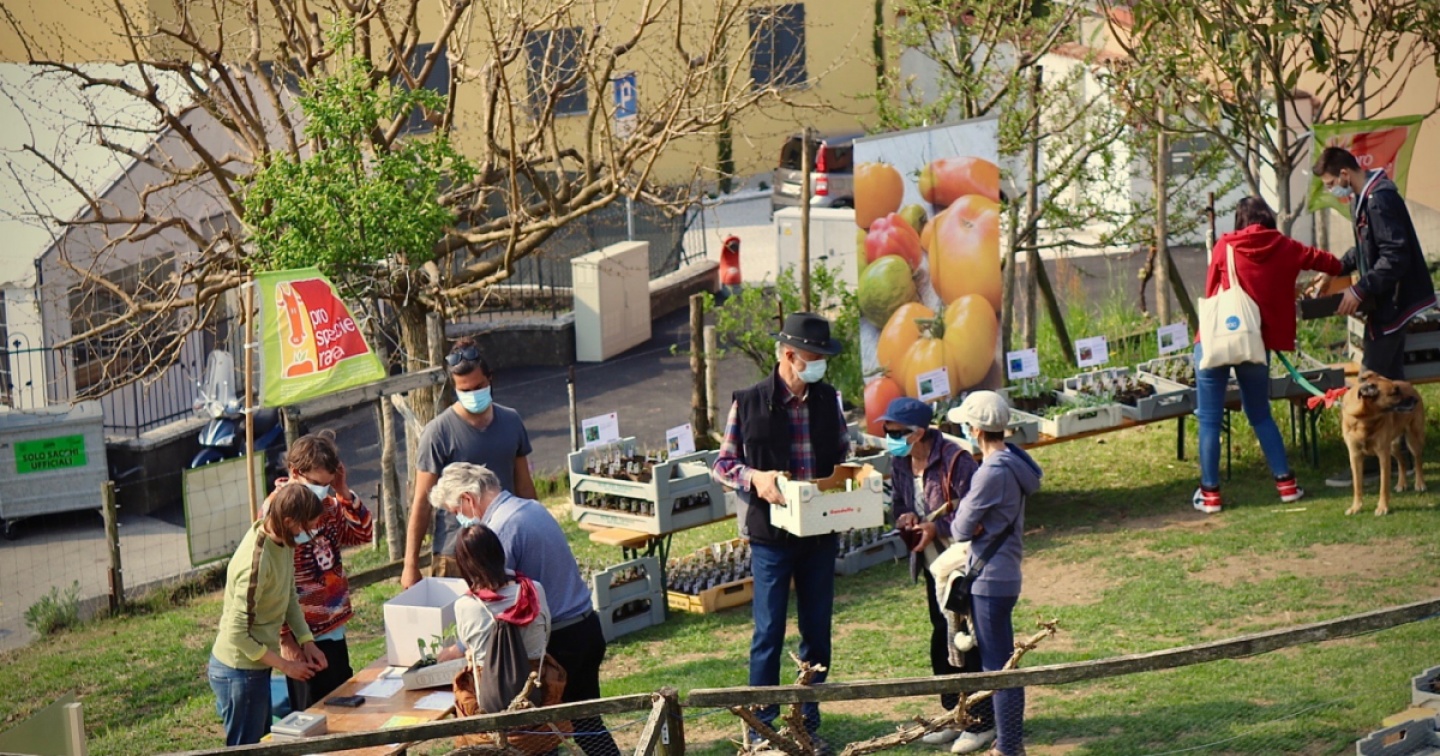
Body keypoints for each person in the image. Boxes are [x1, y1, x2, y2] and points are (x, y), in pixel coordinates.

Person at [712, 312, 850, 749]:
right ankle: (764, 728)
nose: (820, 365)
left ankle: (807, 723)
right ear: (790, 355)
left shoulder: (828, 400)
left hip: (819, 533)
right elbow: (723, 464)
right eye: (814, 357)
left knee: (817, 631)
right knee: (768, 632)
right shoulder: (749, 402)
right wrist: (755, 478)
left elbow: (844, 454)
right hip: (771, 537)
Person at [429, 462, 619, 756]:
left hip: (561, 641)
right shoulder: (531, 508)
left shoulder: (500, 529)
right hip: (584, 627)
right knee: (586, 723)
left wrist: (460, 646)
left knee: (548, 734)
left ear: (468, 499)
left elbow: (495, 600)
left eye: (456, 511)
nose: (459, 519)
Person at [1192, 196, 1345, 513]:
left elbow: (1210, 292)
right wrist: (1335, 271)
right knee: (1260, 414)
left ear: (1240, 221)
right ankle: (1286, 485)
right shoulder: (1287, 247)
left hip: (1215, 338)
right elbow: (1331, 264)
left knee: (1209, 418)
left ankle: (1210, 495)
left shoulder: (1225, 246)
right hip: (1254, 344)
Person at [879, 397, 992, 753]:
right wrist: (906, 518)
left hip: (961, 562)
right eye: (887, 431)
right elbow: (899, 504)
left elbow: (975, 512)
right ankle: (953, 716)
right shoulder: (900, 462)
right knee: (942, 635)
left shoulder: (956, 460)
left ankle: (982, 722)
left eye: (896, 432)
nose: (890, 438)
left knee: (968, 638)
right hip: (932, 565)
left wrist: (936, 527)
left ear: (918, 432)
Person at [946, 391, 1041, 756]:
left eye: (966, 425)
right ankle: (1008, 743)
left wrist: (972, 522)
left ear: (976, 430)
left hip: (989, 580)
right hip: (1005, 574)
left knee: (999, 669)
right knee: (1003, 664)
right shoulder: (1014, 461)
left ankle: (1009, 747)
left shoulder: (990, 472)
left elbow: (960, 528)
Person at [403, 338, 538, 589]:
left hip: (506, 546)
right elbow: (422, 502)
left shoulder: (511, 421)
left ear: (490, 379)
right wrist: (410, 564)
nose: (473, 395)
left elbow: (525, 487)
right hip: (456, 555)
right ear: (455, 388)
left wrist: (538, 531)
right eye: (465, 390)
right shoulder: (438, 433)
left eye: (479, 387)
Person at [208, 484, 328, 746]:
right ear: (289, 521)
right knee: (246, 749)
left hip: (255, 668)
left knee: (261, 743)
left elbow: (288, 596)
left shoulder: (283, 540)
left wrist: (306, 641)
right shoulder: (256, 563)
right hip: (239, 671)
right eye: (306, 528)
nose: (307, 535)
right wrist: (286, 665)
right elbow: (236, 634)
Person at [269, 431, 373, 711]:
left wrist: (343, 491)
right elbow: (271, 582)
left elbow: (362, 534)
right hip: (303, 632)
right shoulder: (277, 511)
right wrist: (285, 637)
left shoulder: (328, 504)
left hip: (332, 625)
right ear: (295, 472)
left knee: (343, 704)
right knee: (313, 711)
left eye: (327, 484)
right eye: (317, 484)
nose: (322, 491)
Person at [1312, 146, 1436, 380]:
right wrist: (1334, 269)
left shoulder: (1378, 200)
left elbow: (1395, 257)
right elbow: (1365, 249)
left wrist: (1359, 290)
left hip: (1394, 302)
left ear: (1344, 174)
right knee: (1391, 383)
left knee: (1369, 384)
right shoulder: (1360, 200)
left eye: (1330, 184)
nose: (1330, 190)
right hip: (1383, 301)